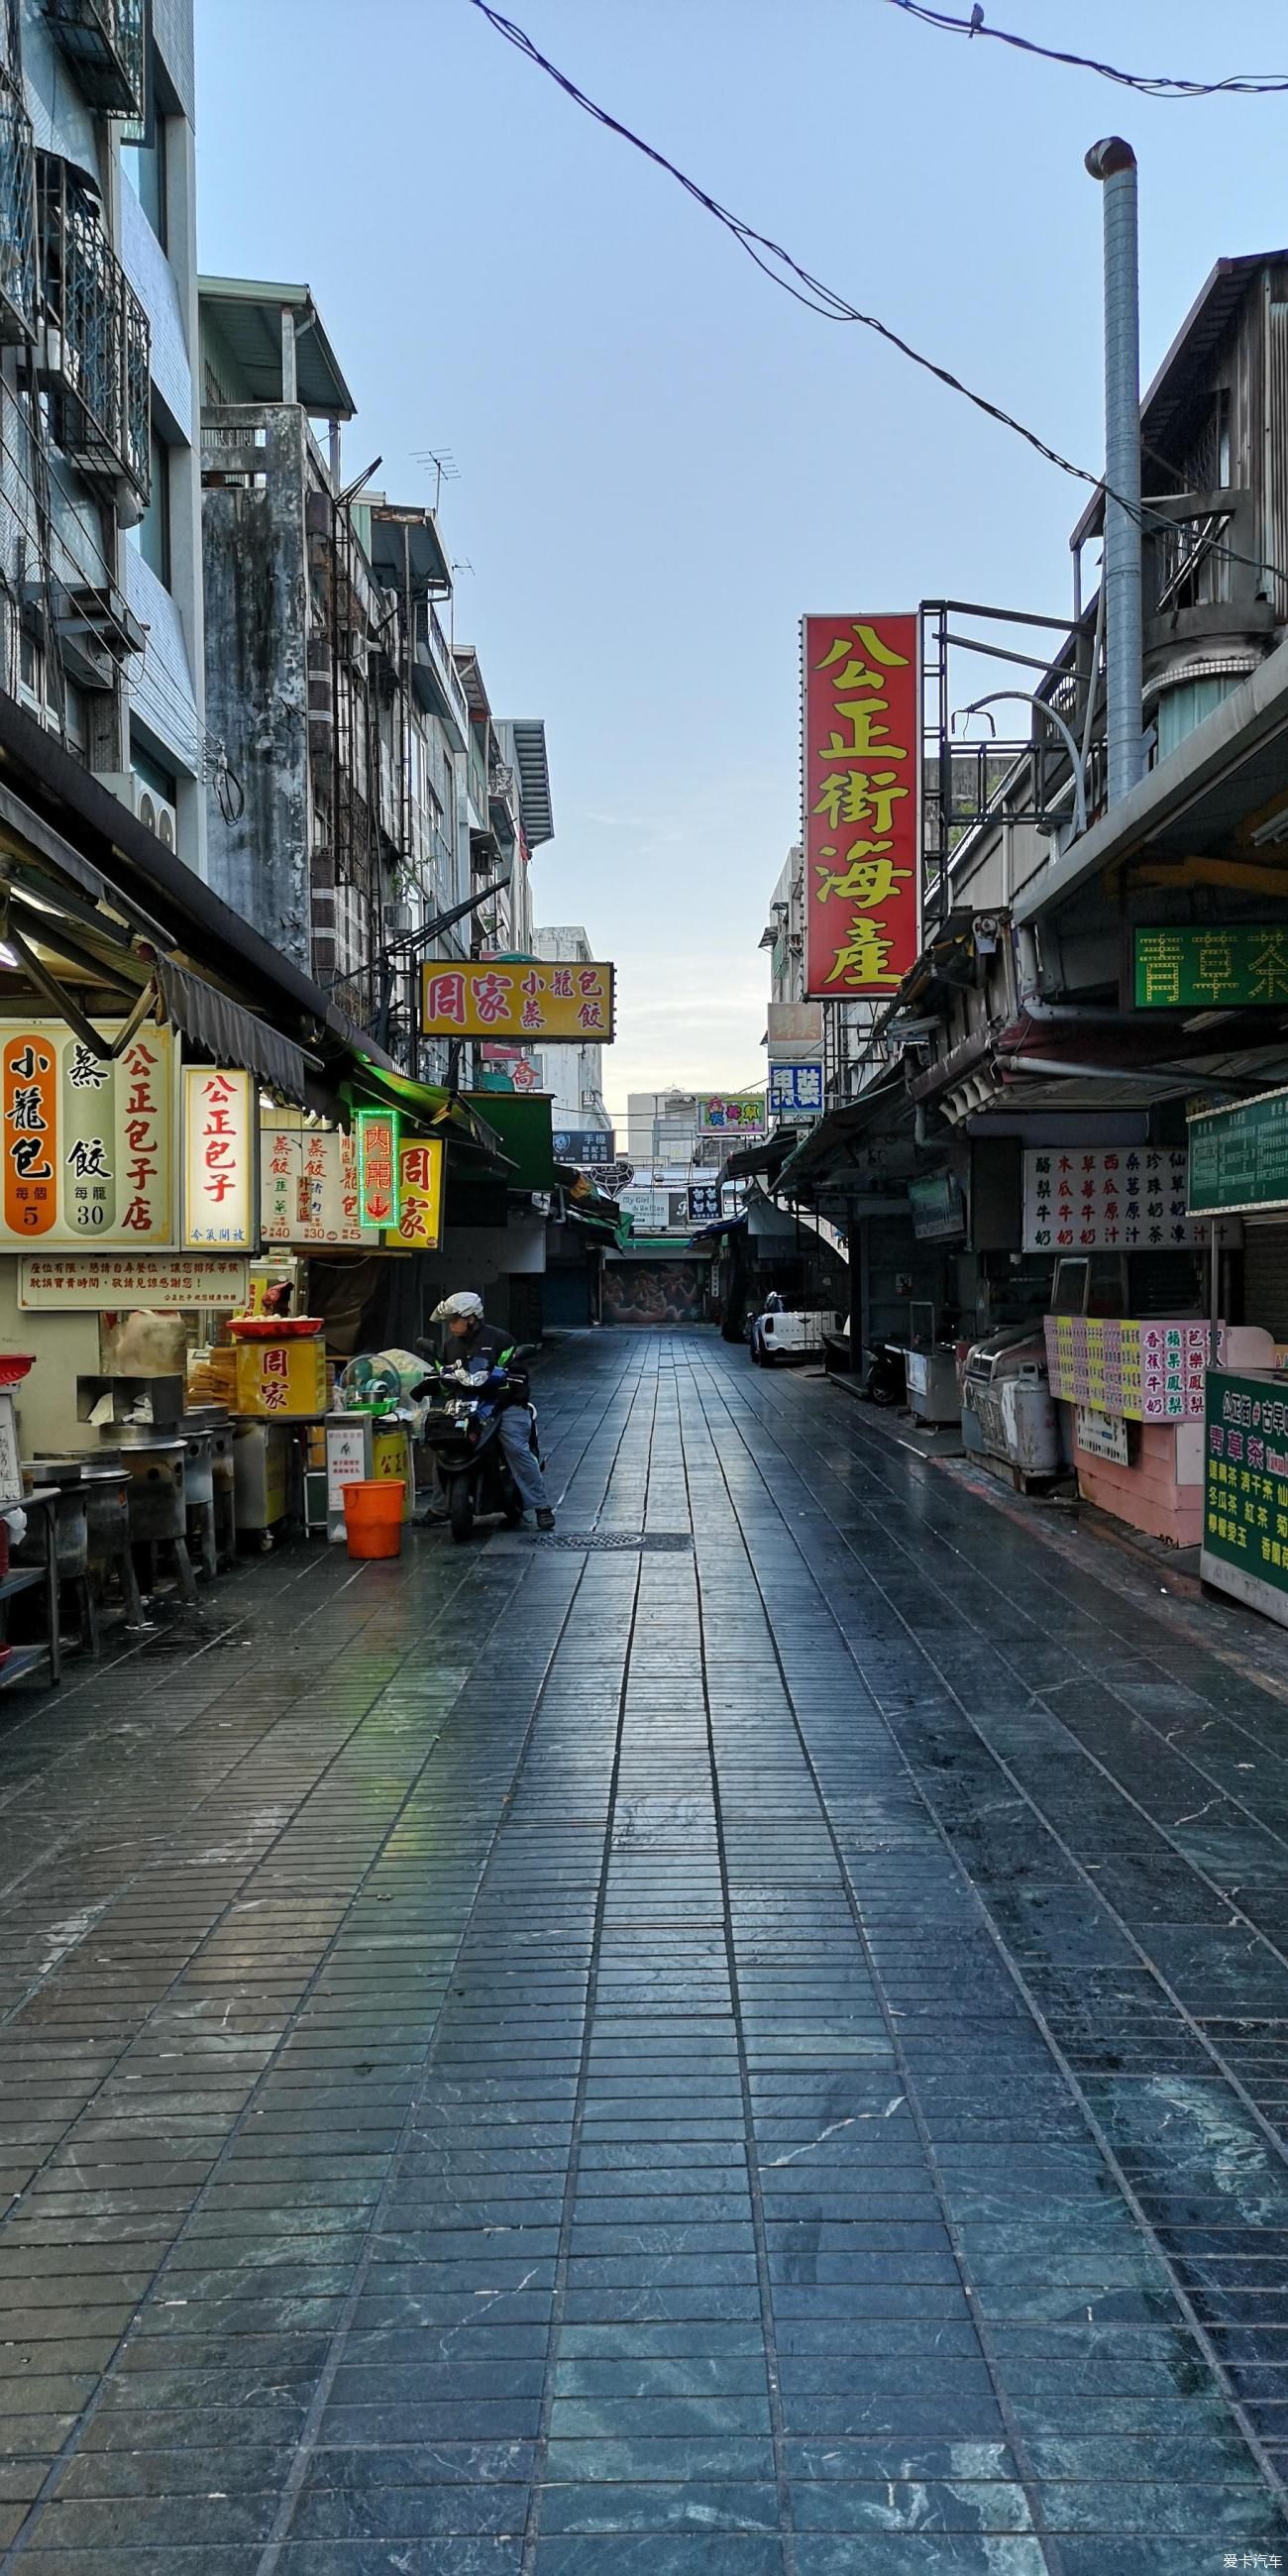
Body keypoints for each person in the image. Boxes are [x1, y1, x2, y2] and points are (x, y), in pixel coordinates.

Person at [429, 1291, 555, 1529]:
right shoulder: (450, 1346)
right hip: (467, 1407)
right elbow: (444, 1375)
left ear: (472, 1318)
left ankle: (541, 1506)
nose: (451, 1325)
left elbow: (517, 1369)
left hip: (503, 1405)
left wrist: (509, 1380)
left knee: (516, 1448)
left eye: (455, 1319)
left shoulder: (500, 1339)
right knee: (442, 1443)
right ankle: (438, 1507)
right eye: (449, 1320)